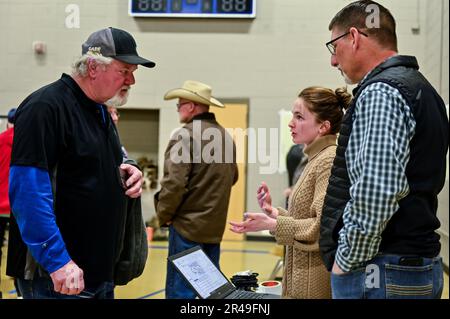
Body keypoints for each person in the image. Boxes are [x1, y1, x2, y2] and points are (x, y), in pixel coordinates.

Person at [7, 27, 155, 299]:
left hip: (97, 274)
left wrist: (129, 167)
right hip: (58, 278)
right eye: (125, 71)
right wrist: (58, 262)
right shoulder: (45, 108)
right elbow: (27, 193)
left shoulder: (99, 111)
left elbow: (93, 165)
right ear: (93, 67)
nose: (131, 81)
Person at [319, 0, 448, 299]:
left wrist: (346, 261)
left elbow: (378, 190)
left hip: (379, 268)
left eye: (333, 47)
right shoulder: (422, 89)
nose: (333, 61)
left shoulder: (382, 91)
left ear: (353, 37)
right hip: (412, 264)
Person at [230, 86, 352, 299]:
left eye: (299, 117)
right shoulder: (315, 158)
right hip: (300, 276)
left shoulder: (327, 160)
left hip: (313, 282)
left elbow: (323, 228)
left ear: (323, 126)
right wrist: (273, 213)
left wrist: (271, 225)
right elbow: (305, 219)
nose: (290, 123)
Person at [155, 80, 238, 299]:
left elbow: (174, 184)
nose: (178, 108)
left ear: (191, 106)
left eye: (180, 104)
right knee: (211, 292)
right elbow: (233, 177)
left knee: (181, 293)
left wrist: (164, 216)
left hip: (186, 227)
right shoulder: (226, 137)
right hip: (213, 228)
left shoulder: (185, 135)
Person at [0, 108, 16, 298]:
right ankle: (21, 290)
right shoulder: (29, 142)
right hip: (18, 205)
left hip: (0, 205)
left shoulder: (2, 139)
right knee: (20, 251)